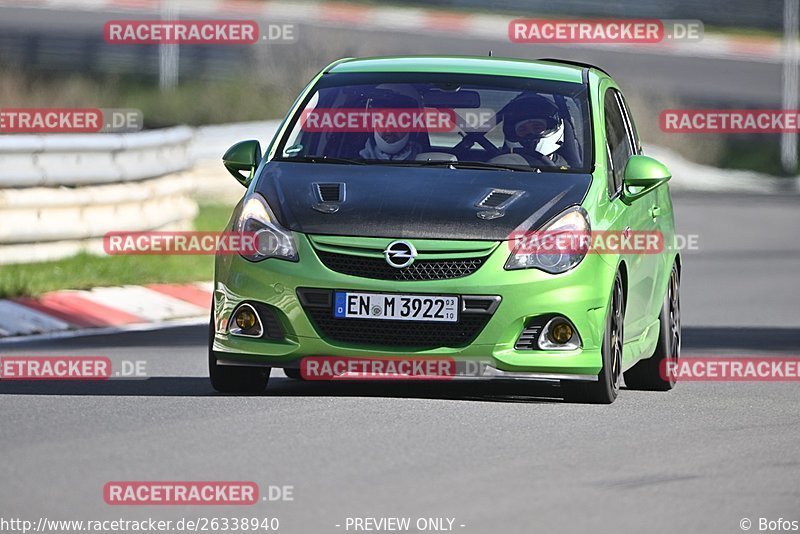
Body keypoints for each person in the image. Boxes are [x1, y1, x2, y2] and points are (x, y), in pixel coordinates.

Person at [502, 95, 570, 167]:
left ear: (551, 128)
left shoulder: (568, 173)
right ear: (513, 133)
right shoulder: (501, 165)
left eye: (537, 128)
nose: (530, 133)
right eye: (522, 130)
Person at [359, 85, 423, 161]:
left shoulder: (429, 163)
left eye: (398, 122)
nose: (389, 130)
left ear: (413, 126)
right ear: (373, 125)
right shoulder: (351, 164)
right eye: (383, 122)